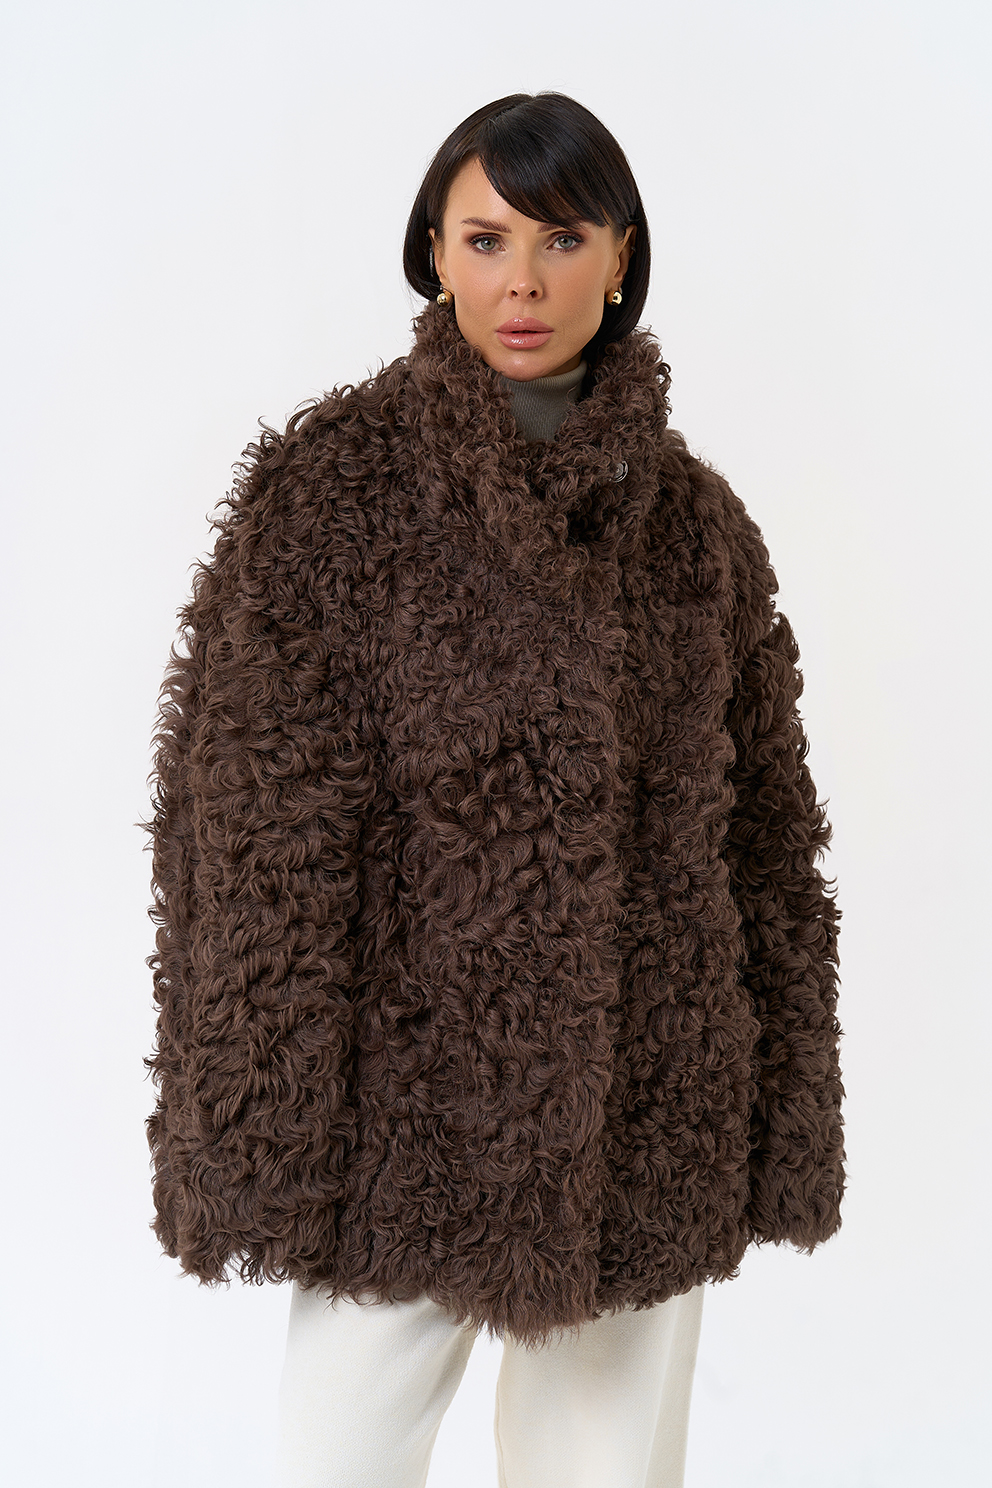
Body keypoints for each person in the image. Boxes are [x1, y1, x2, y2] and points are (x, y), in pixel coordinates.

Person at [143, 92, 845, 1488]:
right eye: (485, 239)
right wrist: (262, 1124)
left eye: (561, 238)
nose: (522, 281)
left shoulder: (695, 528)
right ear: (434, 253)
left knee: (609, 1471)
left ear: (622, 256)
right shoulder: (329, 499)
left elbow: (767, 842)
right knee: (337, 1459)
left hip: (647, 1100)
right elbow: (251, 829)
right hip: (394, 1107)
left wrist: (781, 1104)